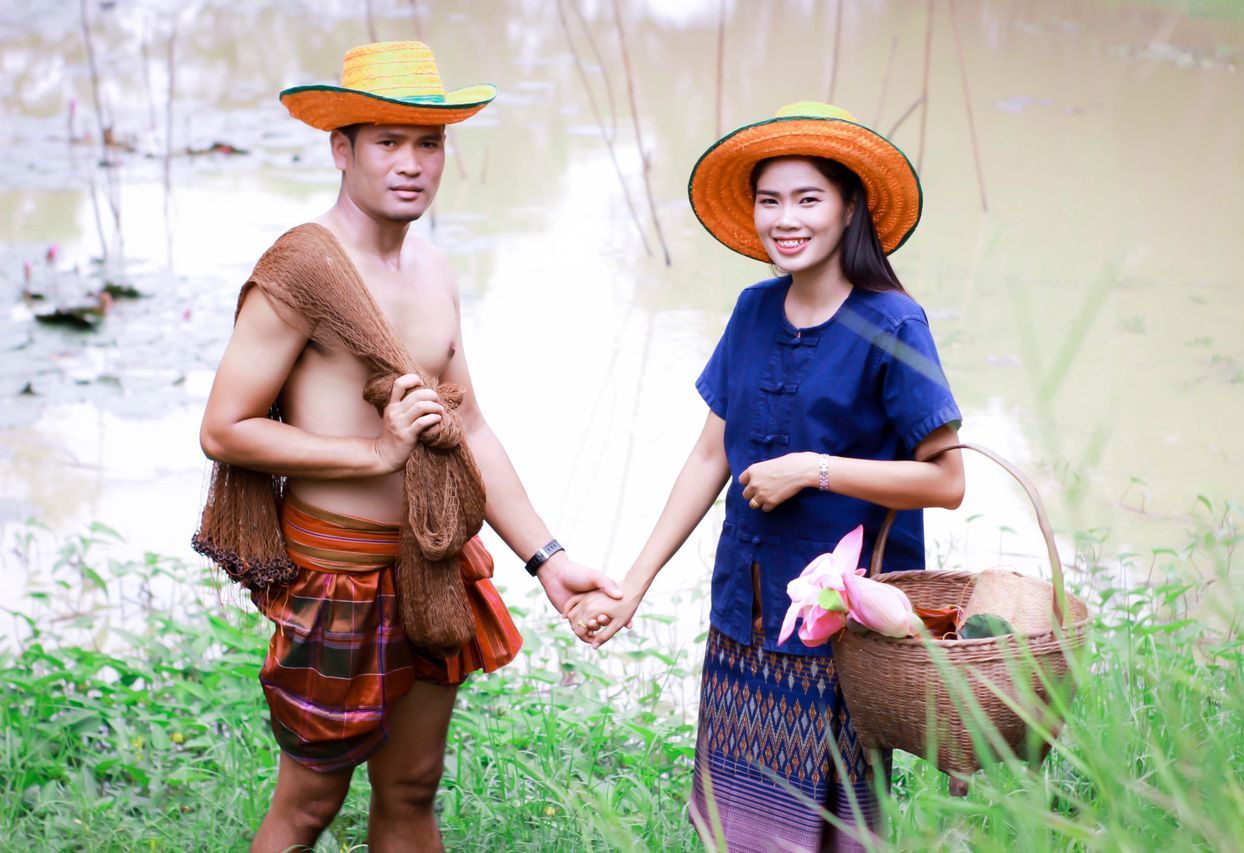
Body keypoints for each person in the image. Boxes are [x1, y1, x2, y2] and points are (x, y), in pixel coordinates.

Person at [193, 41, 621, 852]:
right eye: (388, 142)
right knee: (309, 805)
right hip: (337, 572)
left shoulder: (433, 270)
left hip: (430, 565)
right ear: (341, 149)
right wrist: (375, 457)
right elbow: (224, 428)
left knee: (414, 787)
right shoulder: (302, 269)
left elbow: (472, 431)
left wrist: (549, 558)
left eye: (429, 143)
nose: (412, 164)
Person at [567, 102, 965, 851]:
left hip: (845, 626)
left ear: (850, 208)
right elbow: (708, 456)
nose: (786, 218)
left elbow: (946, 480)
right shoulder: (752, 310)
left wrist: (813, 469)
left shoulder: (895, 322)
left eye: (809, 198)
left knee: (833, 827)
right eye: (769, 199)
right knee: (741, 826)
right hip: (744, 616)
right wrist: (632, 585)